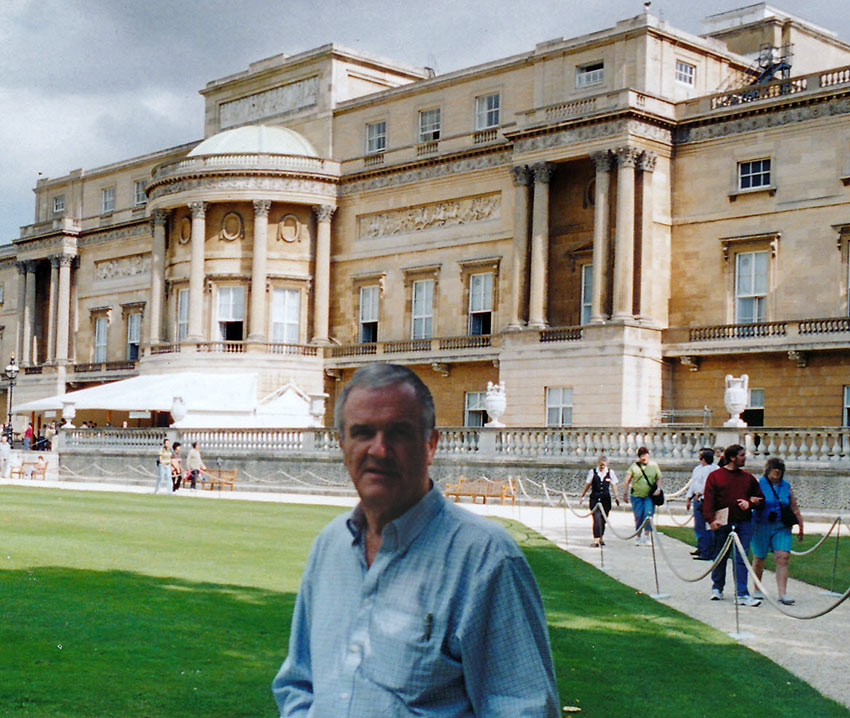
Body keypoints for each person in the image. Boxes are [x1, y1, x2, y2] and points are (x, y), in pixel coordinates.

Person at [272, 363, 559, 717]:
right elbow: (299, 683)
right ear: (343, 444)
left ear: (430, 445)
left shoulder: (485, 559)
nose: (379, 449)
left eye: (399, 433)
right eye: (362, 432)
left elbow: (522, 709)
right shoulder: (329, 546)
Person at [703, 444, 764, 606]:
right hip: (723, 522)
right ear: (732, 457)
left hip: (743, 522)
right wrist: (711, 520)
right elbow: (708, 500)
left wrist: (750, 503)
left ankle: (742, 592)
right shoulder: (715, 476)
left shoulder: (748, 478)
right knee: (720, 555)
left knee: (741, 557)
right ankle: (717, 587)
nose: (745, 458)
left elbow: (759, 498)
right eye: (742, 455)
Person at [751, 457, 804, 605]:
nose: (777, 471)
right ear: (768, 469)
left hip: (781, 526)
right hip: (761, 525)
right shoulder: (759, 484)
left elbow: (794, 507)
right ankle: (757, 588)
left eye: (779, 468)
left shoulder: (786, 486)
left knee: (783, 557)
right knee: (759, 558)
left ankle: (782, 593)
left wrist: (800, 525)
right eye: (774, 468)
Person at [578, 455, 620, 547]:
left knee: (603, 519)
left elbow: (614, 485)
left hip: (605, 499)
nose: (602, 467)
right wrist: (582, 495)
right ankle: (596, 539)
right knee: (596, 518)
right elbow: (588, 484)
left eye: (604, 465)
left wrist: (617, 497)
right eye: (601, 465)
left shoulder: (610, 472)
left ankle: (601, 537)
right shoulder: (592, 472)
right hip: (595, 498)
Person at [623, 447, 662, 545]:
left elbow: (659, 477)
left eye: (645, 455)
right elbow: (627, 480)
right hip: (636, 495)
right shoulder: (634, 466)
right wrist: (625, 493)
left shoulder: (653, 466)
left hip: (649, 496)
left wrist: (658, 488)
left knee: (648, 514)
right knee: (638, 516)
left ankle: (647, 535)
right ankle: (638, 536)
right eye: (641, 456)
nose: (644, 458)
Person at [685, 448, 718, 560]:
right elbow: (693, 483)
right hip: (698, 497)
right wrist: (689, 497)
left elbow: (706, 484)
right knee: (699, 525)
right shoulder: (698, 469)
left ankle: (707, 550)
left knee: (705, 526)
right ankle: (702, 546)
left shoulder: (712, 469)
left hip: (704, 499)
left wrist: (701, 493)